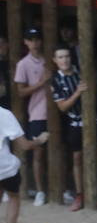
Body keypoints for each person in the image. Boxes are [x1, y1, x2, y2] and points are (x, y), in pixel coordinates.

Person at [0, 100, 50, 223]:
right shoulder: (4, 114)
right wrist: (40, 140)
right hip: (5, 167)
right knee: (14, 197)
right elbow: (25, 145)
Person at [49, 46, 91, 212]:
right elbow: (62, 107)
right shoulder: (56, 80)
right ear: (55, 60)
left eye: (66, 56)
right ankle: (80, 195)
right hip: (75, 122)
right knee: (77, 158)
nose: (64, 60)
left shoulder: (81, 72)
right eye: (60, 57)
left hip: (94, 120)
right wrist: (78, 93)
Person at [12, 27, 51, 207]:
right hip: (37, 113)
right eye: (31, 39)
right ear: (26, 42)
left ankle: (60, 189)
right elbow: (20, 92)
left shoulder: (48, 59)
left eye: (37, 38)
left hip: (54, 111)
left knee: (60, 150)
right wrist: (42, 82)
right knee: (38, 153)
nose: (35, 42)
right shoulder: (23, 64)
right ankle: (40, 191)